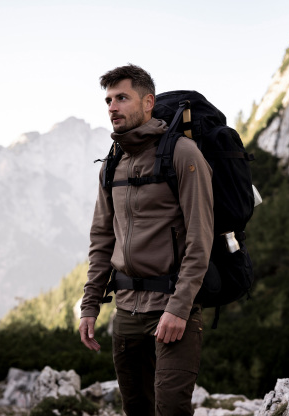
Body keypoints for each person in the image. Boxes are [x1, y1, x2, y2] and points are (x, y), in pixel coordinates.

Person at [79, 64, 214, 416]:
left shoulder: (183, 154)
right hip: (126, 311)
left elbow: (200, 238)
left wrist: (179, 307)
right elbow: (102, 239)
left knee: (170, 408)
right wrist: (90, 305)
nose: (112, 107)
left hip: (172, 309)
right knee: (136, 408)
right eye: (108, 100)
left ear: (148, 102)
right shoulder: (112, 163)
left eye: (122, 98)